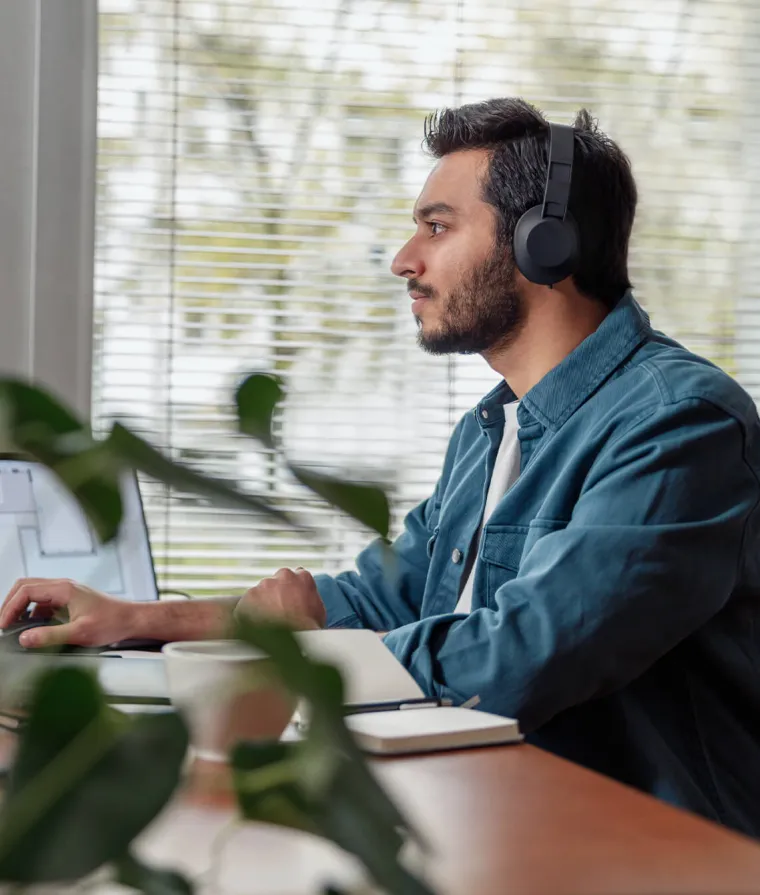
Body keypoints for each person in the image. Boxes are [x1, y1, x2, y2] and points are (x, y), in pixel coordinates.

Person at [4, 97, 760, 836]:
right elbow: (382, 597)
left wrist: (305, 654)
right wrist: (139, 619)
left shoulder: (679, 423)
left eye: (436, 226)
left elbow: (517, 655)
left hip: (648, 849)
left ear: (544, 242)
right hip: (491, 816)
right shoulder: (489, 431)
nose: (405, 260)